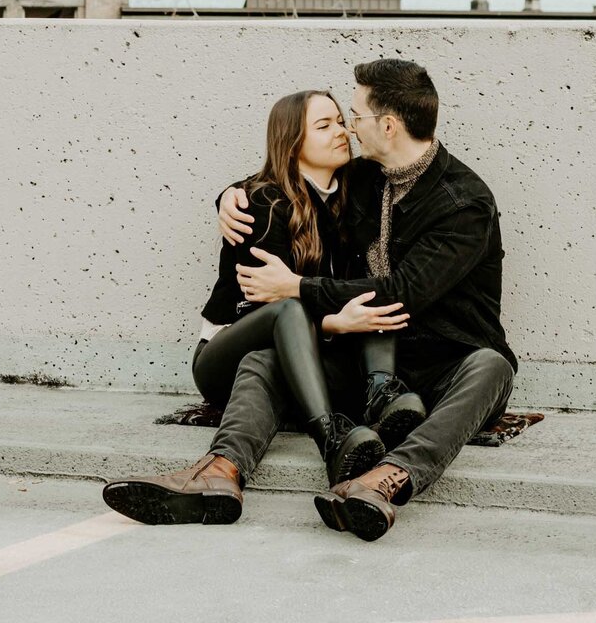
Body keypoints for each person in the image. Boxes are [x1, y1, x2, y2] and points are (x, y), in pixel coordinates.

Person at [219, 58, 517, 541]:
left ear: (389, 125)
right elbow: (292, 177)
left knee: (493, 367)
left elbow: (403, 291)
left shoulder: (464, 202)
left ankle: (383, 480)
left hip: (446, 364)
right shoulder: (365, 177)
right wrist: (232, 195)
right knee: (261, 360)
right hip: (372, 362)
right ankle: (219, 470)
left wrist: (297, 287)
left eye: (355, 115)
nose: (350, 128)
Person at [102, 90, 411, 526]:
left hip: (289, 359)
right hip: (225, 351)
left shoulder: (354, 192)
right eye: (323, 126)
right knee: (285, 313)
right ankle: (330, 438)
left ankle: (220, 475)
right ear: (292, 142)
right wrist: (333, 325)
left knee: (281, 354)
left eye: (340, 121)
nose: (340, 132)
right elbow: (262, 311)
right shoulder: (262, 205)